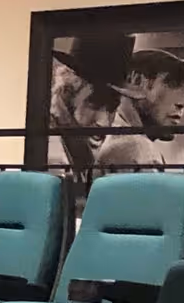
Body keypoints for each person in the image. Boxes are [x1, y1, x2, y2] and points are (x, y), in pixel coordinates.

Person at [45, 30, 133, 203]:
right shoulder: (52, 151)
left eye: (111, 108)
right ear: (68, 92)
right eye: (94, 103)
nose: (103, 122)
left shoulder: (81, 149)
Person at [93, 31, 184, 174]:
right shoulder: (138, 152)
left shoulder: (113, 137)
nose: (183, 101)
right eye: (173, 81)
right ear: (136, 81)